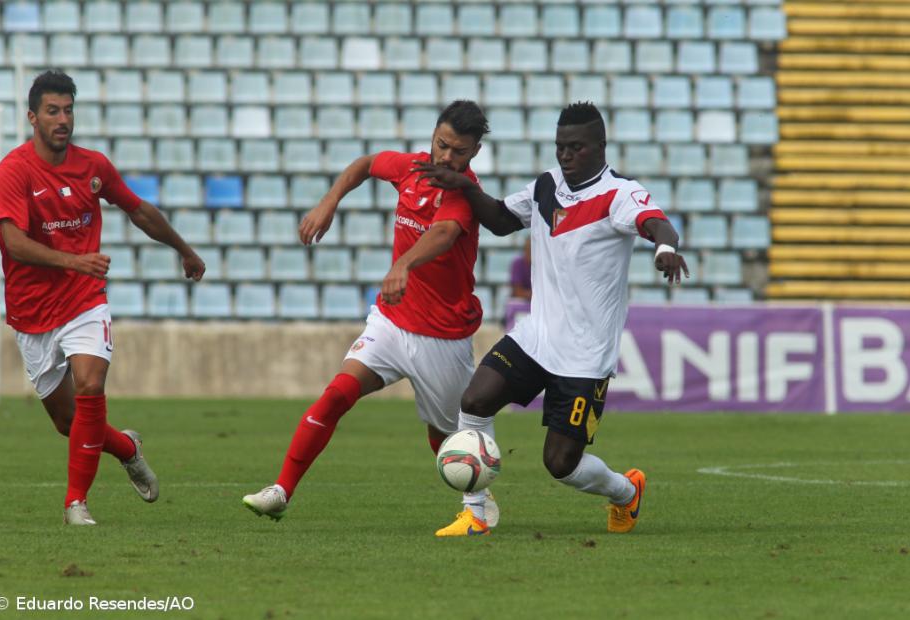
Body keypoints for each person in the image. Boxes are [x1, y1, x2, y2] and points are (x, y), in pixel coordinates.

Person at [414, 102, 690, 536]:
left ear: (600, 146)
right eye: (560, 147)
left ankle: (625, 492)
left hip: (584, 356)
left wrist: (664, 248)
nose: (565, 155)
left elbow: (656, 223)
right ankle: (476, 512)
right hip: (536, 338)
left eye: (575, 147)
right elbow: (503, 220)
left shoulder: (619, 194)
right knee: (474, 401)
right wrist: (464, 187)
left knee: (562, 465)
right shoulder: (547, 187)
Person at [242, 101, 500, 528]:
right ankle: (281, 490)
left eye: (458, 152)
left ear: (473, 153)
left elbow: (443, 233)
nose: (446, 157)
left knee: (446, 438)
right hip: (392, 321)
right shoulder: (409, 167)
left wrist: (403, 265)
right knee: (337, 393)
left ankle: (479, 503)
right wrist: (330, 201)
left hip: (442, 335)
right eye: (442, 145)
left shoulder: (465, 192)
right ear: (433, 135)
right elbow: (365, 164)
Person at [0, 71, 206, 525]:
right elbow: (12, 243)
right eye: (52, 111)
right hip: (32, 312)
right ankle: (127, 448)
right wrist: (73, 261)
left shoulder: (93, 166)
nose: (62, 119)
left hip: (84, 300)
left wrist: (183, 249)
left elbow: (138, 210)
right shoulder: (14, 170)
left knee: (91, 385)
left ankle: (76, 504)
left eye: (68, 110)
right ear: (32, 117)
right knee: (70, 426)